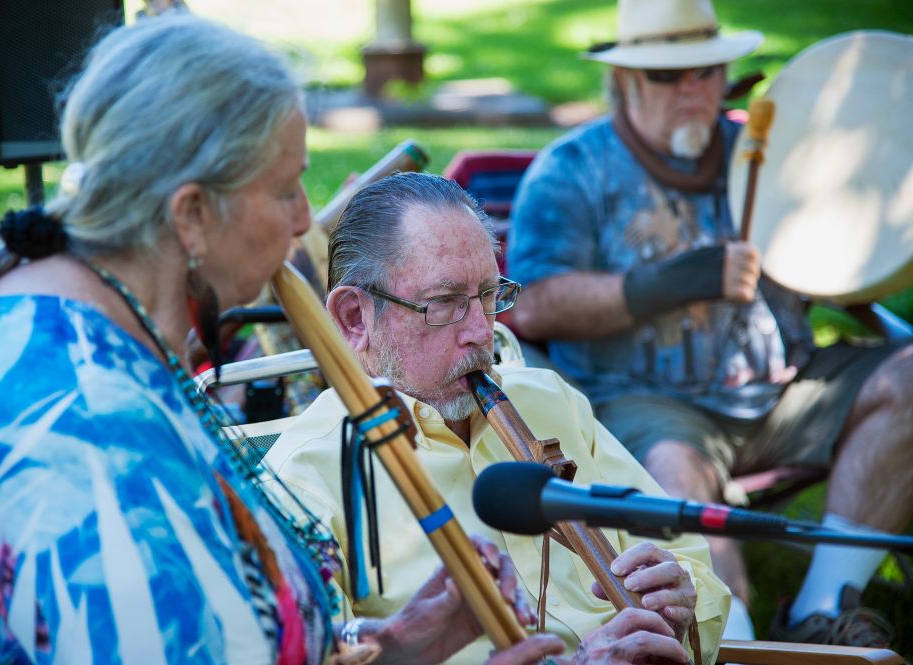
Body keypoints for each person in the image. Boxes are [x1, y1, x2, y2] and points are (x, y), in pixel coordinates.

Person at [0, 14, 563, 664]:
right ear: (192, 215)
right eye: (285, 189)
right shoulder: (83, 436)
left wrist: (398, 644)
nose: (307, 218)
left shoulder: (93, 331)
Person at [506, 0, 912, 646]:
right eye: (668, 75)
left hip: (783, 388)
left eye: (706, 69)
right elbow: (532, 303)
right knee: (673, 475)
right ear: (624, 81)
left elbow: (834, 254)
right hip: (649, 406)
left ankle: (821, 610)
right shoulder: (571, 170)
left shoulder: (768, 152)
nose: (692, 89)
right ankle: (738, 645)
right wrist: (677, 279)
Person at [264, 171, 730, 665]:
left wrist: (683, 604)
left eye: (489, 295)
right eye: (445, 303)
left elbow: (689, 560)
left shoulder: (551, 400)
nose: (480, 332)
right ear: (356, 319)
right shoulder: (303, 478)